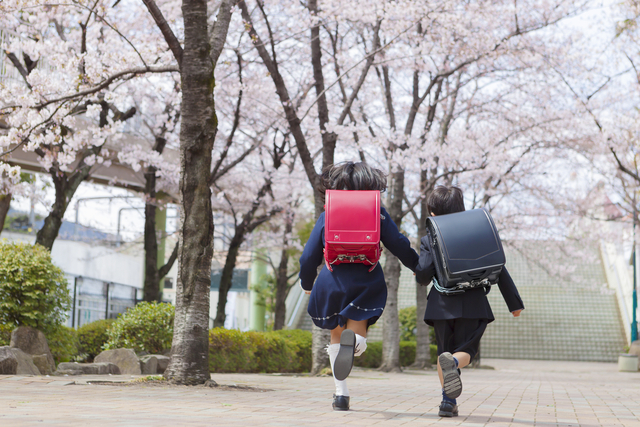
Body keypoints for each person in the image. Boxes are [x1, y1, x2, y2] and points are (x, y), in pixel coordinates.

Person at [299, 161, 419, 411]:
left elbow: (309, 255)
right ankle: (355, 342)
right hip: (367, 278)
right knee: (356, 327)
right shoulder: (378, 213)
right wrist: (420, 268)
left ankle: (341, 395)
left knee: (335, 333)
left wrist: (307, 282)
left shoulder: (327, 214)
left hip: (332, 279)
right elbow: (399, 245)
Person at [415, 185, 524, 418]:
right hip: (474, 302)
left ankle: (447, 402)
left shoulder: (430, 238)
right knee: (466, 350)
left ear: (433, 213)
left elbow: (423, 272)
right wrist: (514, 303)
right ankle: (454, 363)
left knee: (443, 352)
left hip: (441, 305)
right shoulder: (478, 233)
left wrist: (421, 274)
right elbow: (498, 265)